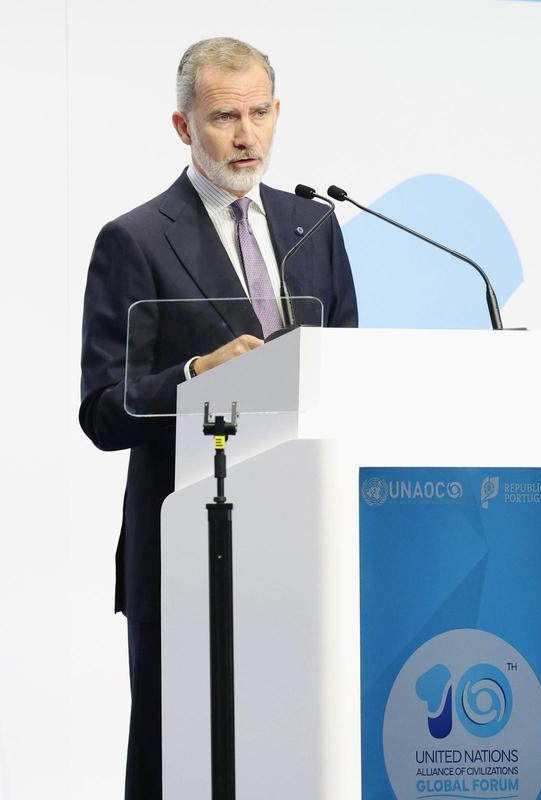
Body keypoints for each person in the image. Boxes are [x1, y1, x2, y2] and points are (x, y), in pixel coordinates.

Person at [78, 37, 357, 800]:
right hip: (190, 553)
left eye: (260, 113)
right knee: (179, 762)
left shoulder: (316, 226)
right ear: (182, 127)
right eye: (224, 117)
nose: (246, 136)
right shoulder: (135, 240)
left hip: (306, 549)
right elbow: (104, 410)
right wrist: (196, 375)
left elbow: (347, 378)